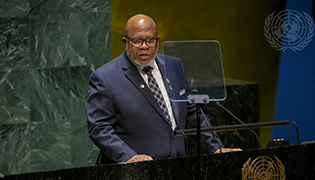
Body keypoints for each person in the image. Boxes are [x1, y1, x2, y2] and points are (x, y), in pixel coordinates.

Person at [86, 14, 241, 164]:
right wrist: (129, 157)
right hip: (136, 171)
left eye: (150, 40)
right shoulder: (105, 77)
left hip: (177, 167)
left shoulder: (174, 65)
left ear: (157, 40)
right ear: (125, 42)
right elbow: (99, 128)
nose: (144, 46)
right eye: (137, 41)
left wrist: (216, 148)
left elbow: (193, 115)